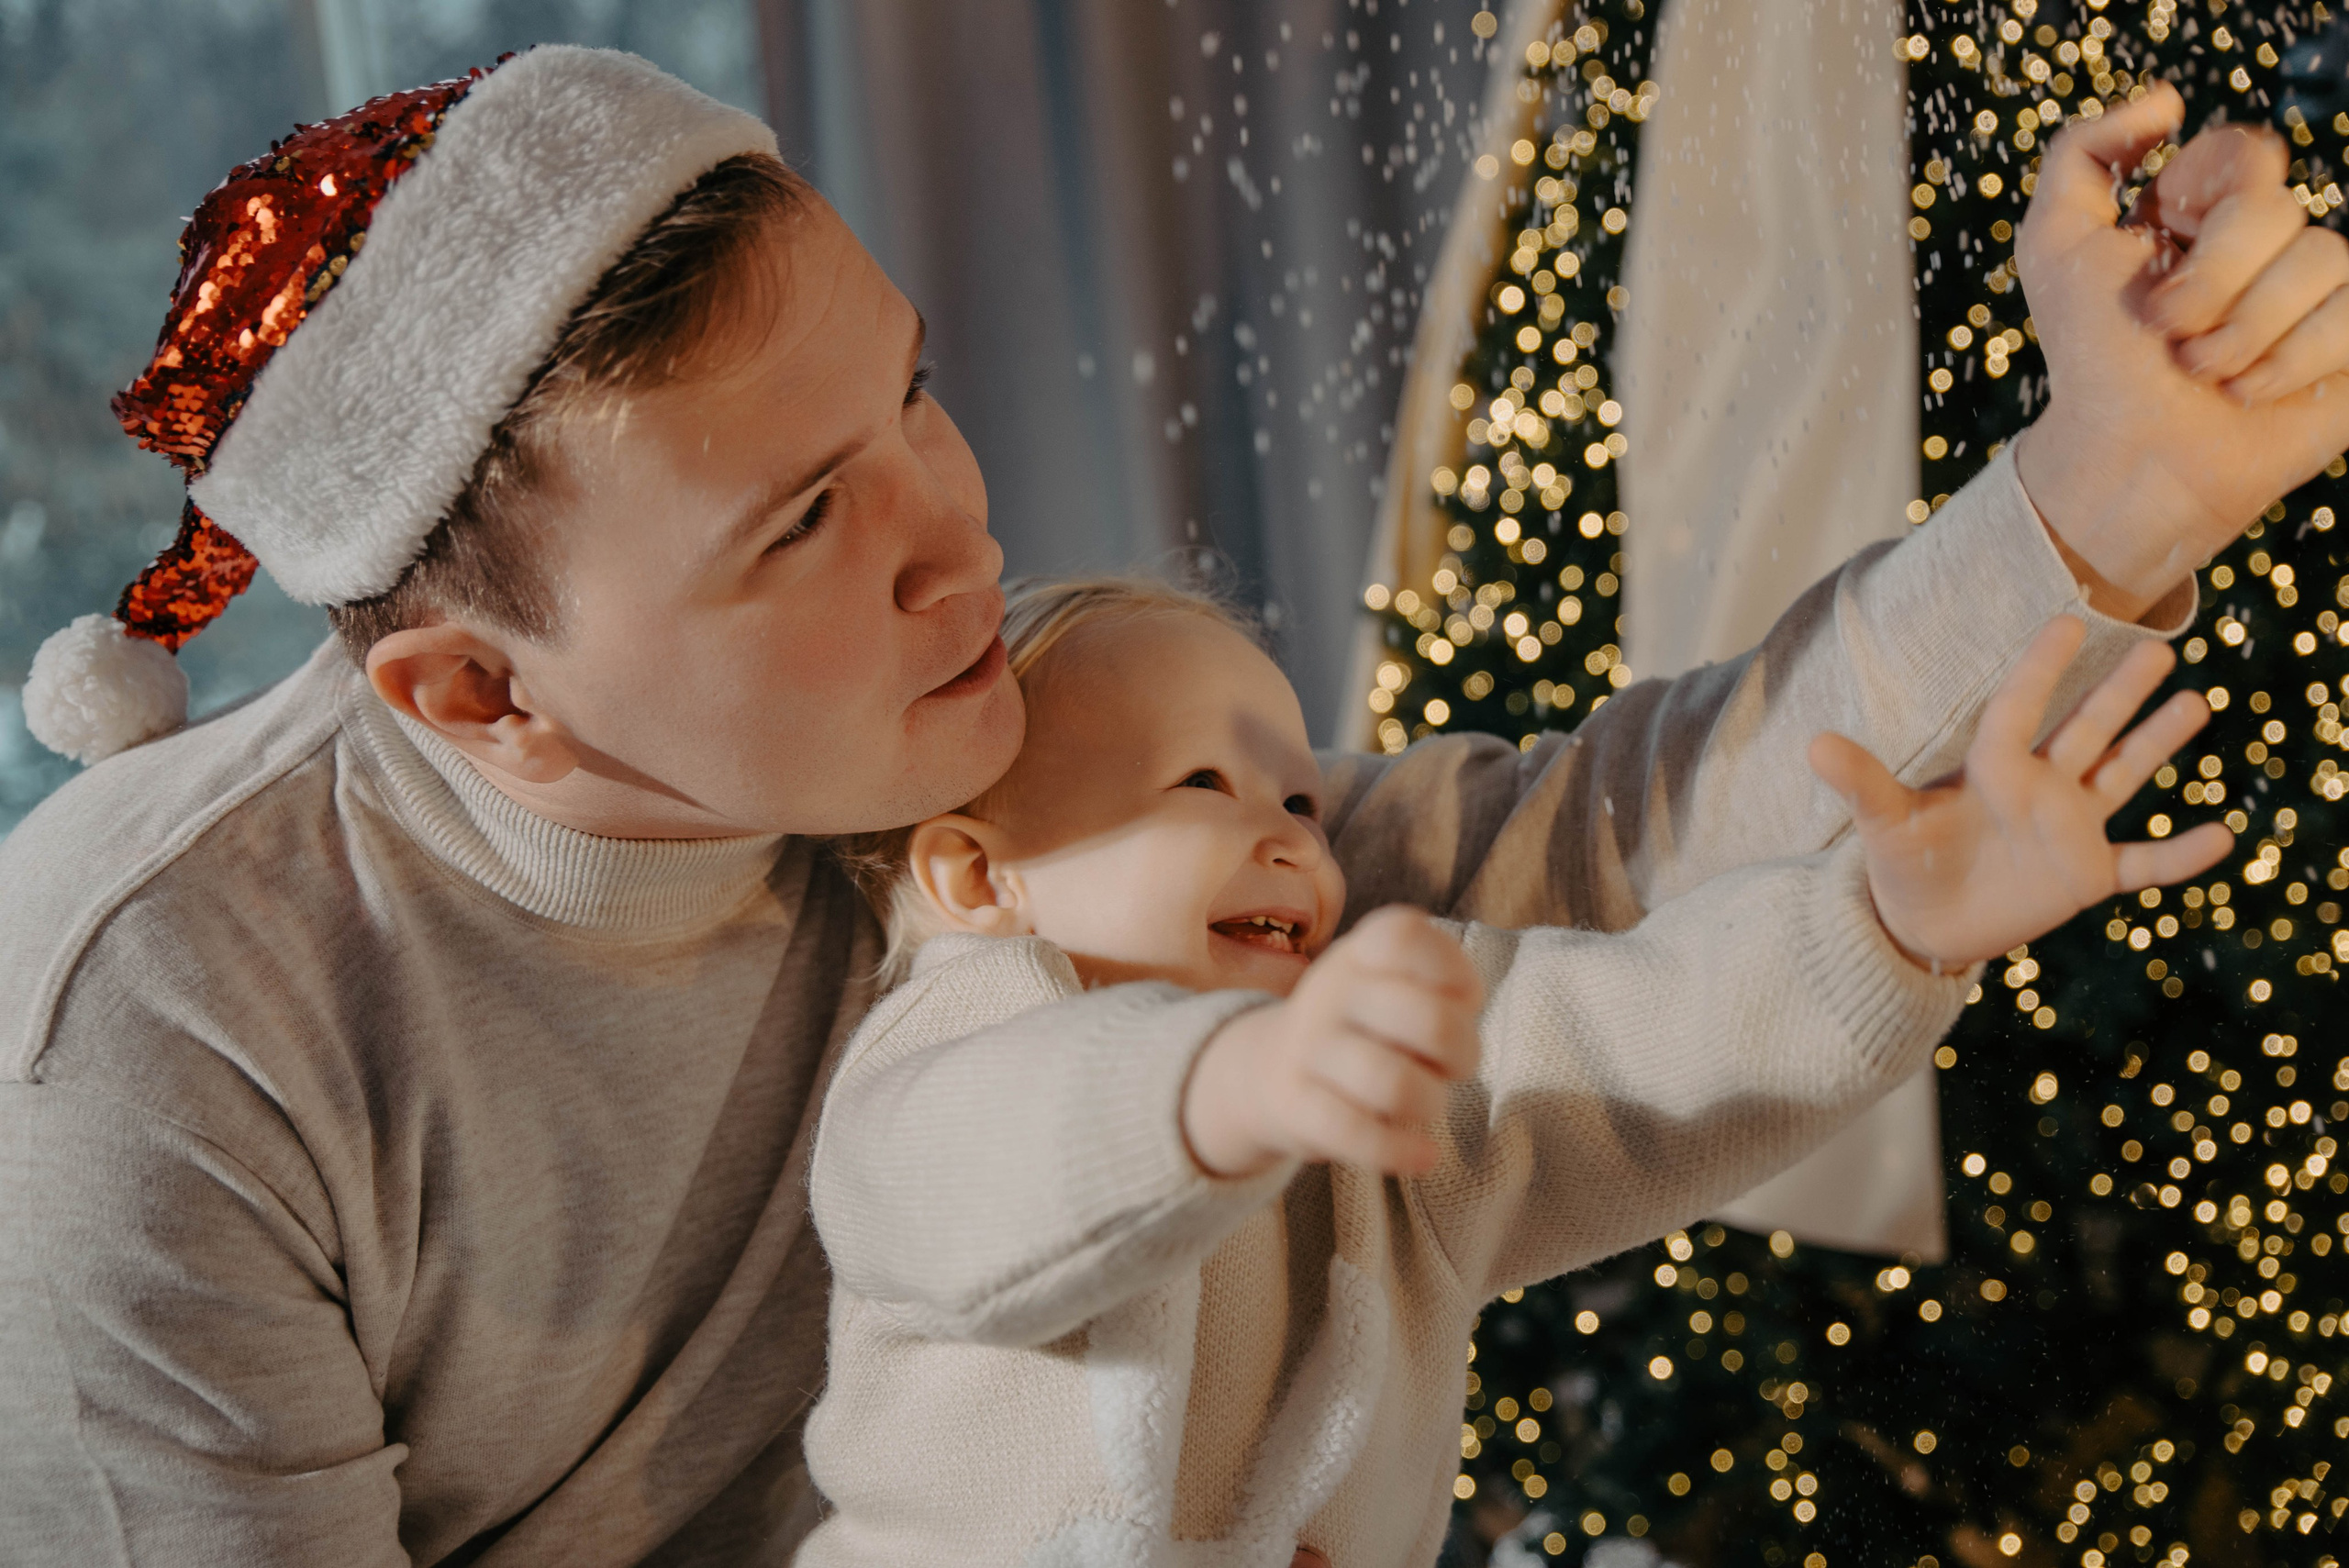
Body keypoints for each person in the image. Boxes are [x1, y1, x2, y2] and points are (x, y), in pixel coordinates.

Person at [0, 41, 2330, 1562]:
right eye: (802, 520)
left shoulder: (976, 714)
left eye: (910, 390)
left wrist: (2099, 493)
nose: (950, 525)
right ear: (476, 696)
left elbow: (1574, 880)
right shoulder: (155, 1036)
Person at [798, 577, 2221, 1566]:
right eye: (1202, 787)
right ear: (982, 878)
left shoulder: (1370, 1047)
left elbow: (1635, 1033)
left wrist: (1892, 927)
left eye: (1301, 795)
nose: (1296, 837)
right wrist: (1232, 1085)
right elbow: (963, 1171)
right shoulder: (944, 1052)